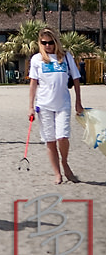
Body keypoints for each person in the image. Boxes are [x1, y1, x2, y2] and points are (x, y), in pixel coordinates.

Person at [28, 28, 85, 184]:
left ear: (56, 42)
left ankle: (64, 162)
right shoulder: (37, 60)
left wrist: (78, 102)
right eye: (44, 43)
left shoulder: (66, 57)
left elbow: (76, 79)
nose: (48, 46)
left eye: (51, 42)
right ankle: (57, 173)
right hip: (44, 105)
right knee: (50, 140)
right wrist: (30, 106)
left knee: (62, 137)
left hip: (63, 104)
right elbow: (33, 83)